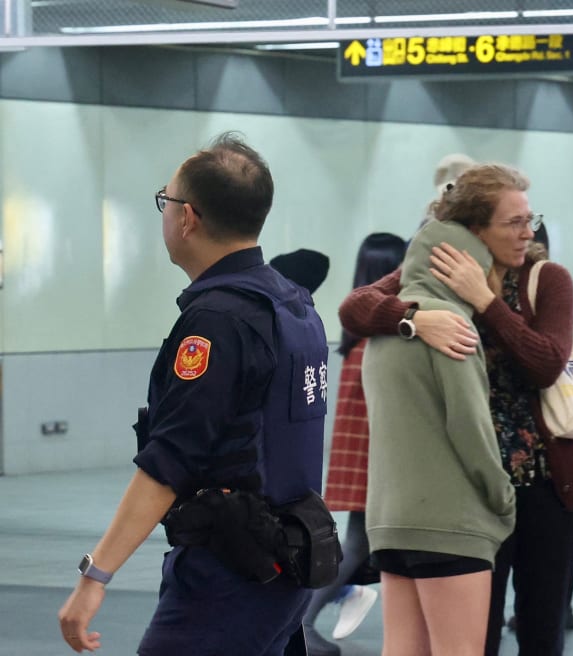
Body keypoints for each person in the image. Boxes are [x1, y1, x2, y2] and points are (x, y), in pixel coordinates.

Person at [58, 132, 330, 655]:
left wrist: (96, 575)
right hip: (287, 563)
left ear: (188, 217)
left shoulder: (218, 322)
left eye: (166, 199)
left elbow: (171, 459)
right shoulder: (292, 305)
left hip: (227, 575)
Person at [339, 163, 573, 656]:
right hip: (465, 493)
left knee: (542, 629)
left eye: (530, 219)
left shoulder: (545, 278)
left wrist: (486, 301)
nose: (527, 232)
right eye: (513, 222)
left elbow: (546, 364)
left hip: (540, 488)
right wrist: (413, 319)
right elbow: (355, 308)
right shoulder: (437, 272)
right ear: (474, 230)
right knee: (475, 635)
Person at [363, 218, 515, 655]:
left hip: (389, 522)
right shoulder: (452, 325)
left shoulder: (386, 331)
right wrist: (501, 496)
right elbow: (469, 425)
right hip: (451, 526)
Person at [298, 234, 405, 656]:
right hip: (375, 457)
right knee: (358, 544)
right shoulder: (381, 335)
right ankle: (302, 622)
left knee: (359, 543)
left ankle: (304, 620)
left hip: (363, 454)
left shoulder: (359, 329)